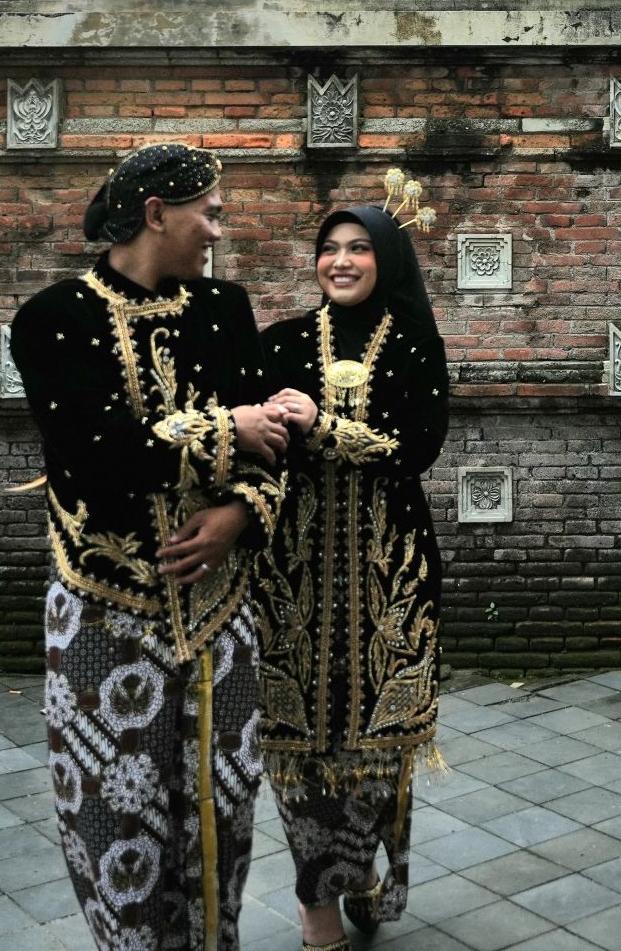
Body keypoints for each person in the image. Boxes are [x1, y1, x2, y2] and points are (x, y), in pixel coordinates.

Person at [11, 141, 308, 951]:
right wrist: (227, 429)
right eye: (208, 213)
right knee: (115, 820)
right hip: (105, 615)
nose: (218, 230)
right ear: (155, 215)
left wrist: (239, 513)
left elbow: (275, 449)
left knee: (224, 814)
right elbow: (95, 458)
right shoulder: (53, 320)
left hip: (220, 614)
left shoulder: (225, 309)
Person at [253, 171, 448, 950]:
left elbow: (417, 448)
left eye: (359, 247)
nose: (339, 260)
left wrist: (323, 425)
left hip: (389, 578)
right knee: (297, 748)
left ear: (386, 259)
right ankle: (317, 908)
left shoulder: (415, 344)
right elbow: (255, 450)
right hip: (290, 578)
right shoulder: (280, 343)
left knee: (375, 747)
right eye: (329, 247)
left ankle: (358, 866)